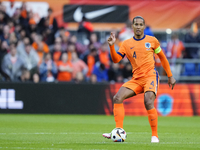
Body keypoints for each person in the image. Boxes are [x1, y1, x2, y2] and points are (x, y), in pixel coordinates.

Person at [102, 16, 176, 143]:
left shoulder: (152, 41)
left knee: (148, 102)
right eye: (136, 24)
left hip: (150, 76)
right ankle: (118, 131)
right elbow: (115, 60)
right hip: (136, 79)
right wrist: (111, 46)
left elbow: (162, 58)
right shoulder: (126, 43)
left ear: (144, 26)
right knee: (117, 98)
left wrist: (170, 75)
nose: (138, 26)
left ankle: (155, 136)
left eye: (140, 24)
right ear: (132, 26)